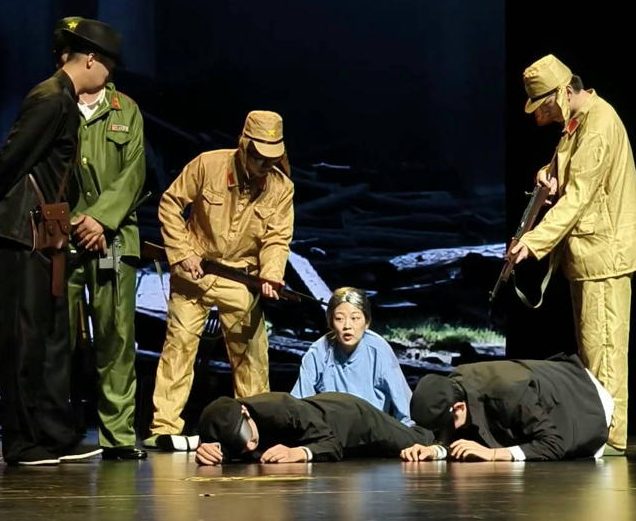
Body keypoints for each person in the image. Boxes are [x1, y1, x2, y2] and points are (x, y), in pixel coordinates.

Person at [0, 20, 123, 465]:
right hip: (19, 233)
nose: (109, 75)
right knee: (21, 337)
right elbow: (12, 157)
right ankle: (21, 441)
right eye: (108, 66)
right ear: (90, 60)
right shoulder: (50, 98)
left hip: (42, 233)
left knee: (48, 336)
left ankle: (52, 435)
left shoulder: (62, 98)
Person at [508, 54, 636, 456]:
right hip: (589, 254)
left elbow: (578, 198)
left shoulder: (599, 124)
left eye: (546, 106)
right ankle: (601, 430)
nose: (545, 116)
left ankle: (612, 436)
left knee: (605, 350)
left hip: (605, 255)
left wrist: (532, 242)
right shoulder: (580, 122)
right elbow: (571, 170)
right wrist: (547, 172)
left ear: (563, 92)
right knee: (593, 350)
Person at [145, 111, 295, 451]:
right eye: (259, 157)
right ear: (244, 145)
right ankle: (164, 426)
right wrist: (182, 253)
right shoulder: (208, 165)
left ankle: (258, 428)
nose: (265, 165)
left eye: (272, 159)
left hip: (239, 276)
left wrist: (271, 274)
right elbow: (170, 204)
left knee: (251, 354)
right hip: (194, 271)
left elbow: (277, 238)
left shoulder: (281, 188)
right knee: (179, 347)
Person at [51, 17, 148, 461]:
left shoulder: (126, 110)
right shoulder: (54, 104)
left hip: (114, 241)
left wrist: (101, 220)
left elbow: (134, 174)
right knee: (59, 340)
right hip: (64, 241)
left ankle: (118, 435)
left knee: (116, 339)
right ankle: (57, 432)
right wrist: (76, 221)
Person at [400, 354, 613, 462]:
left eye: (445, 425)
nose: (445, 432)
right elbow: (460, 437)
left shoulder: (510, 395)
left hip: (584, 401)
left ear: (459, 407)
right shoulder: (453, 386)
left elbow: (553, 443)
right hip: (543, 389)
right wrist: (434, 450)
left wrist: (493, 454)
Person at [194, 392, 435, 465]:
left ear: (245, 413)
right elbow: (215, 444)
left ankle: (444, 435)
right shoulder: (222, 426)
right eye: (238, 441)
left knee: (415, 442)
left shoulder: (281, 409)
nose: (248, 445)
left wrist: (298, 452)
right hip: (326, 433)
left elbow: (331, 444)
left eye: (245, 434)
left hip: (352, 418)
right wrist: (210, 452)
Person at [292, 287, 413, 425]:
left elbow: (405, 409)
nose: (347, 326)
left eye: (355, 318)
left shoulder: (378, 350)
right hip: (331, 429)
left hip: (374, 430)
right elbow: (299, 403)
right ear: (331, 323)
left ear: (367, 322)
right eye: (339, 319)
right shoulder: (318, 351)